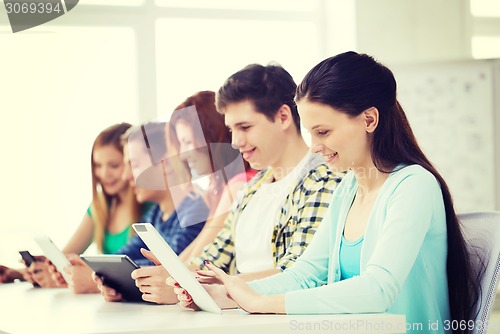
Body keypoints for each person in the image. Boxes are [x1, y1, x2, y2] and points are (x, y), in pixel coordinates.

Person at [171, 52, 481, 334]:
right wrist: (227, 294)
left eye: (323, 132)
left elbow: (378, 289)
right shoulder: (348, 188)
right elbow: (305, 274)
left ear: (369, 119)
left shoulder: (414, 185)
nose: (315, 146)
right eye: (310, 132)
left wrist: (261, 302)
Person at [95, 63, 341, 304]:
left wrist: (194, 285)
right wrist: (165, 279)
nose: (235, 141)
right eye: (232, 130)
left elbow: (297, 274)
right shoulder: (252, 189)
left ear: (283, 116)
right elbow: (212, 259)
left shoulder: (322, 180)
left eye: (245, 127)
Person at [53, 122, 210, 295]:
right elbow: (124, 256)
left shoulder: (196, 211)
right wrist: (90, 267)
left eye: (134, 165)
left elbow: (167, 272)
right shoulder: (155, 215)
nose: (125, 176)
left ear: (165, 165)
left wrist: (95, 277)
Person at [1, 123, 144, 287]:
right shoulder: (100, 208)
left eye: (114, 165)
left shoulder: (149, 209)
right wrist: (21, 273)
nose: (104, 174)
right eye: (98, 166)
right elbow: (64, 258)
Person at [168, 90, 257, 262]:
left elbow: (202, 254)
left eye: (186, 142)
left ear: (211, 137)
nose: (182, 154)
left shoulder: (240, 184)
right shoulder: (220, 187)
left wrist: (167, 277)